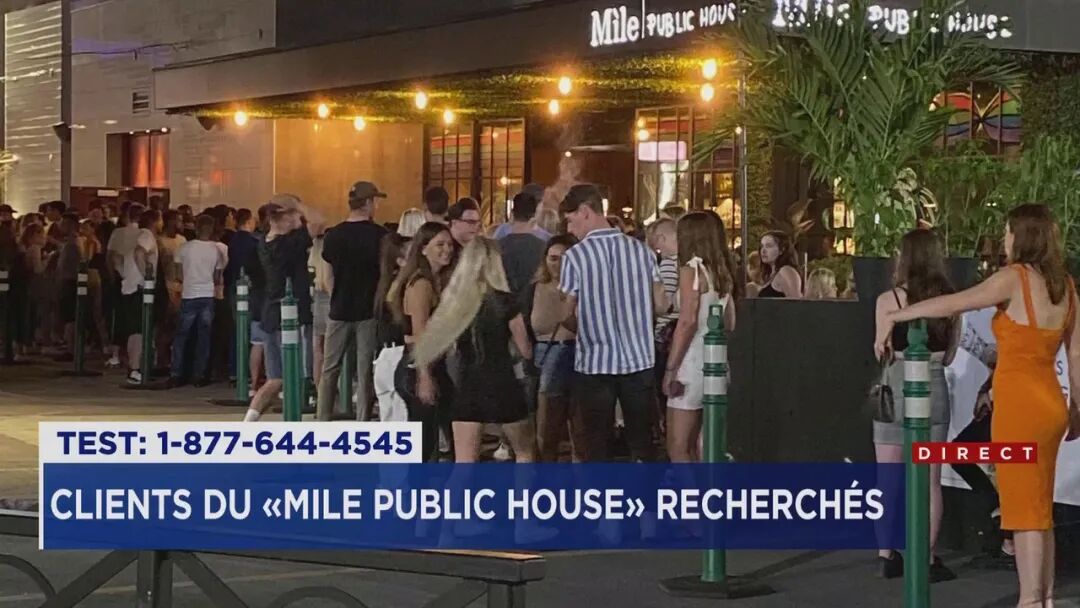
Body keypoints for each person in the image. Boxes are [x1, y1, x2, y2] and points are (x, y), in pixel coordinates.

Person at [885, 205, 1080, 606]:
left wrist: (900, 314)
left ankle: (1030, 600)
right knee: (1039, 507)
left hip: (1020, 407)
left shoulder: (1015, 278)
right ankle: (1043, 599)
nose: (1004, 239)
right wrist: (1076, 407)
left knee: (1023, 513)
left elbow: (957, 302)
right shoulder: (1065, 286)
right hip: (1052, 406)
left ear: (1021, 235)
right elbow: (1076, 354)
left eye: (1007, 232)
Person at [558, 184, 669, 462]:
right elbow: (661, 304)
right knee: (642, 441)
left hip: (594, 362)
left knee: (597, 444)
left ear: (585, 211)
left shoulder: (575, 256)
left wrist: (585, 328)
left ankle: (604, 489)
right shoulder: (642, 251)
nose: (570, 229)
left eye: (570, 220)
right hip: (639, 359)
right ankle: (643, 488)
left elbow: (565, 313)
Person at [872, 229, 958, 583]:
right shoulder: (950, 301)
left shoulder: (888, 300)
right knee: (930, 480)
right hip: (933, 383)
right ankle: (926, 556)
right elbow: (950, 355)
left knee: (887, 478)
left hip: (896, 385)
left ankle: (886, 554)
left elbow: (880, 349)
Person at [415, 237, 537, 463]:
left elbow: (432, 343)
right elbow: (526, 350)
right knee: (524, 451)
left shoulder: (455, 304)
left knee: (464, 463)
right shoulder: (506, 301)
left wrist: (425, 375)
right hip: (504, 383)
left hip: (468, 385)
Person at [662, 212, 738, 462]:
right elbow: (730, 322)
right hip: (717, 361)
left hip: (691, 362)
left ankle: (690, 490)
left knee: (678, 446)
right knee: (706, 445)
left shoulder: (691, 271)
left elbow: (687, 322)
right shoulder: (721, 274)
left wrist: (671, 369)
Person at [318, 181, 389, 422]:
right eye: (375, 201)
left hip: (339, 309)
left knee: (330, 369)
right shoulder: (380, 236)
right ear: (368, 203)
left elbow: (327, 277)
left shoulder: (333, 235)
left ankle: (323, 418)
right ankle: (362, 421)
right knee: (365, 369)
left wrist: (337, 296)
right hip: (369, 311)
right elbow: (385, 275)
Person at [387, 222, 455, 460]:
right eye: (440, 245)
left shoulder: (434, 281)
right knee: (424, 445)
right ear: (423, 248)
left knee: (432, 439)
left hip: (430, 364)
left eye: (449, 244)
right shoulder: (421, 284)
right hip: (419, 366)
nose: (447, 250)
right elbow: (420, 336)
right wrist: (424, 377)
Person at [243, 205, 317, 421]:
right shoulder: (288, 244)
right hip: (289, 314)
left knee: (276, 378)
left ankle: (249, 420)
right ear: (279, 220)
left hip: (270, 312)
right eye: (291, 218)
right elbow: (318, 223)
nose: (296, 221)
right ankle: (290, 421)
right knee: (291, 373)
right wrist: (300, 205)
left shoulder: (264, 243)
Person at [521, 234, 582, 461]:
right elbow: (522, 324)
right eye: (553, 258)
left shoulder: (584, 289)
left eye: (565, 259)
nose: (558, 264)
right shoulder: (534, 289)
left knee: (581, 428)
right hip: (546, 357)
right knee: (547, 427)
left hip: (578, 356)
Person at [168, 214, 227, 387]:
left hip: (189, 294)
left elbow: (178, 274)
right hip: (207, 295)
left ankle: (176, 373)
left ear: (196, 228)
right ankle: (199, 375)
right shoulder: (216, 250)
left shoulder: (184, 248)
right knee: (204, 336)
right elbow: (217, 277)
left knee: (181, 336)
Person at [107, 204, 156, 383]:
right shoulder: (146, 235)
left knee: (132, 329)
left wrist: (124, 274)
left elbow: (115, 258)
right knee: (138, 329)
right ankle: (135, 369)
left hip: (128, 286)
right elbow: (139, 253)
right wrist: (147, 278)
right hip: (140, 288)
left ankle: (136, 367)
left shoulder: (121, 234)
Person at [373, 233, 410, 423]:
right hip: (398, 353)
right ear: (400, 260)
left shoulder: (385, 283)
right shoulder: (402, 287)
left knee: (389, 415)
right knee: (401, 415)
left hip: (384, 355)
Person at [498, 191, 546, 299]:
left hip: (501, 305)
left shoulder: (496, 247)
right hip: (533, 304)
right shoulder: (544, 248)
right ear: (534, 217)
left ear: (511, 214)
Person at [55, 214, 82, 360]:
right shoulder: (70, 242)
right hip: (68, 281)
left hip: (70, 282)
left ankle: (72, 349)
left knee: (70, 316)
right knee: (68, 316)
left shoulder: (73, 243)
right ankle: (70, 346)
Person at [758, 231, 802, 298]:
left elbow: (796, 301)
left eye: (769, 246)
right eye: (762, 246)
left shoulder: (786, 271)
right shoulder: (771, 274)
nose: (763, 251)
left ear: (782, 250)